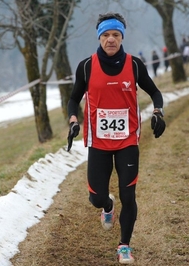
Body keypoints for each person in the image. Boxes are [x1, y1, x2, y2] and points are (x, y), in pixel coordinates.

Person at [66, 12, 166, 264]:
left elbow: (154, 92)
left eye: (116, 35)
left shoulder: (134, 65)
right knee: (95, 197)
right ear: (100, 38)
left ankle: (124, 246)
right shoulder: (86, 66)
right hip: (98, 142)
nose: (111, 40)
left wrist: (158, 111)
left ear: (122, 37)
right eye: (106, 35)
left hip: (127, 141)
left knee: (129, 196)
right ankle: (107, 207)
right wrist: (73, 120)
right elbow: (73, 98)